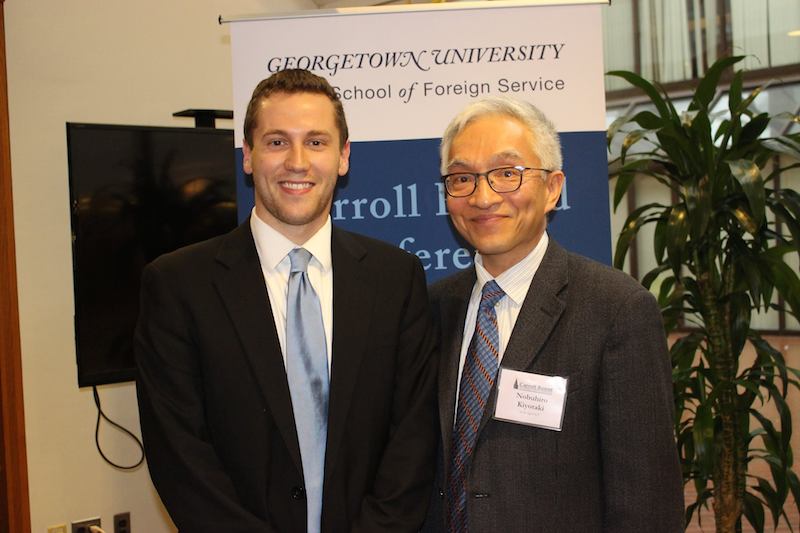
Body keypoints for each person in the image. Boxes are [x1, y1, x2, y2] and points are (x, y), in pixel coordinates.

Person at [135, 69, 438, 533]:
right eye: (277, 142)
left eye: (316, 142)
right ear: (248, 156)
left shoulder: (396, 279)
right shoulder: (178, 287)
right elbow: (180, 458)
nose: (297, 162)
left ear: (343, 157)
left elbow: (412, 441)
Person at [422, 96, 684, 533]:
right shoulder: (431, 309)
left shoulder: (617, 311)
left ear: (553, 187)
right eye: (462, 177)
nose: (483, 197)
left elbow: (646, 500)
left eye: (507, 173)